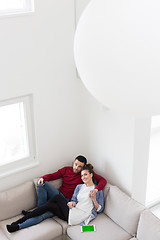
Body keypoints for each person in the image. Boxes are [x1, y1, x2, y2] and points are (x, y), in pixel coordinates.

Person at [6, 164, 104, 232]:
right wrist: (73, 203)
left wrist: (94, 199)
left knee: (55, 198)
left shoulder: (97, 190)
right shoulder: (79, 186)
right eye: (82, 175)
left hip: (77, 216)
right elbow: (74, 200)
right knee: (48, 206)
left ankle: (20, 221)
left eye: (85, 174)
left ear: (91, 175)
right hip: (70, 211)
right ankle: (17, 226)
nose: (83, 177)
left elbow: (100, 209)